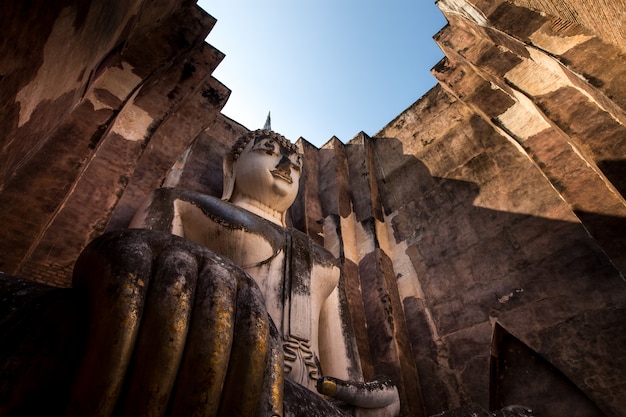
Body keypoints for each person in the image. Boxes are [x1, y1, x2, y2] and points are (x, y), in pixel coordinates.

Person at [0, 130, 399, 416]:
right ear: (232, 164)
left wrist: (370, 400)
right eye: (268, 151)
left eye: (295, 163)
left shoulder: (325, 262)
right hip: (187, 367)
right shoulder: (183, 205)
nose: (285, 166)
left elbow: (341, 377)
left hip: (303, 397)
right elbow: (136, 273)